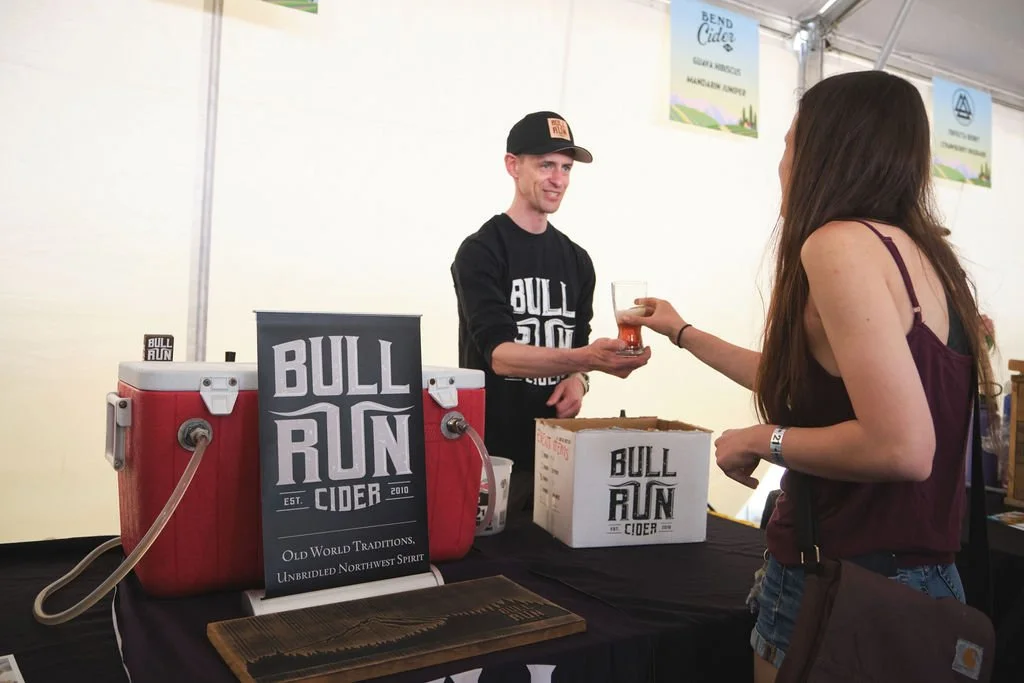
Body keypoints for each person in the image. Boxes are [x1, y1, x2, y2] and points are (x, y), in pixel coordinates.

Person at [620, 70, 997, 683]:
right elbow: (809, 382)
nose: (782, 163)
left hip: (842, 584)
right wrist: (684, 333)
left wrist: (759, 439)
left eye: (790, 142)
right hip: (929, 583)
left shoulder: (835, 245)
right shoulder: (927, 255)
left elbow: (902, 447)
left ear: (827, 149)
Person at [451, 111, 650, 513]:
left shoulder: (577, 261)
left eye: (565, 167)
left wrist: (580, 380)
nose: (558, 179)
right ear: (513, 165)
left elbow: (577, 350)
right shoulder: (481, 251)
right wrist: (588, 358)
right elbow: (500, 356)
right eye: (546, 165)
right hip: (493, 458)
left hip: (558, 456)